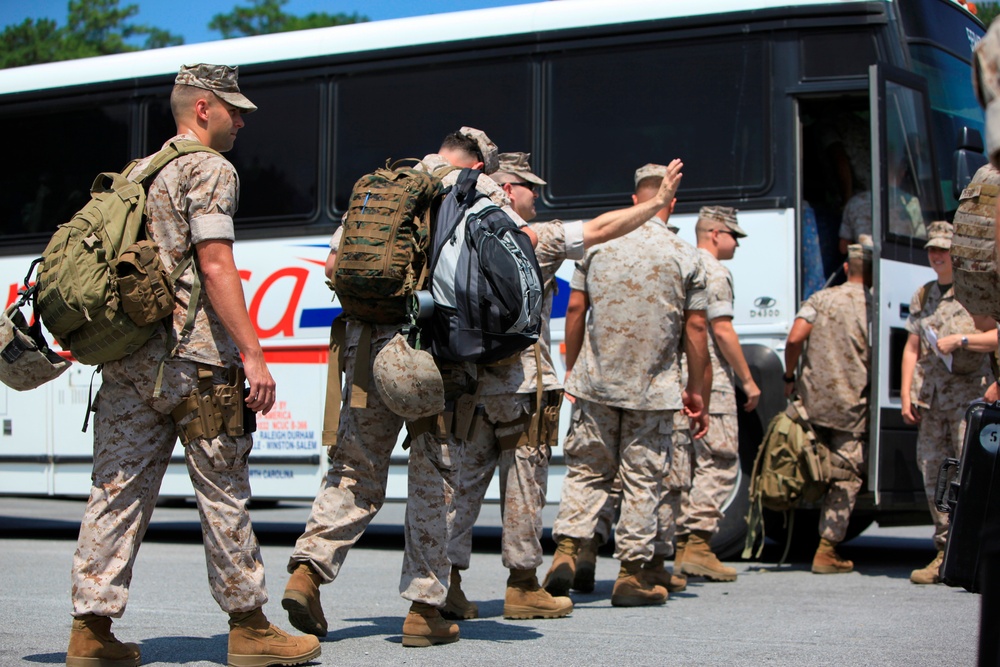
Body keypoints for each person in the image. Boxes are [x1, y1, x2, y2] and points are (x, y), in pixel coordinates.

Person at [65, 64, 321, 667]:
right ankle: (250, 628)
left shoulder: (135, 173)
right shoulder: (209, 169)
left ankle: (90, 631)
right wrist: (254, 354)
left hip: (127, 363)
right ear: (202, 108)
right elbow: (214, 263)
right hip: (195, 363)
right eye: (235, 109)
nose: (243, 119)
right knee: (223, 491)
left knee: (115, 493)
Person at [282, 127, 514, 648]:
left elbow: (331, 265)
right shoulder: (477, 188)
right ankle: (423, 610)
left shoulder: (385, 185)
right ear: (479, 161)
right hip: (430, 359)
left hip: (364, 352)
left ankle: (308, 572)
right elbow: (516, 259)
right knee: (435, 474)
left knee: (354, 468)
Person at [441, 153, 684, 621]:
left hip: (469, 388)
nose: (540, 195)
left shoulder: (452, 231)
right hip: (524, 387)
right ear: (509, 190)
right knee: (524, 489)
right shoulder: (533, 238)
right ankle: (523, 586)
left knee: (463, 487)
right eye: (531, 187)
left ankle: (447, 584)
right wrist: (660, 204)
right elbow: (603, 228)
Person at [543, 163, 709, 607]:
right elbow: (696, 330)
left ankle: (566, 552)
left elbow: (575, 310)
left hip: (596, 384)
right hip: (653, 392)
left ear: (636, 198)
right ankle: (631, 574)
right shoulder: (686, 255)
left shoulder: (598, 246)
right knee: (642, 480)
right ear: (669, 202)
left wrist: (575, 371)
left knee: (586, 471)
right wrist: (697, 391)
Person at [900, 221, 996, 584]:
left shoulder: (975, 292)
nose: (937, 255)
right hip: (933, 400)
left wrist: (963, 340)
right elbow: (912, 347)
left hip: (970, 398)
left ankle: (973, 553)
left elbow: (997, 336)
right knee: (934, 474)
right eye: (932, 249)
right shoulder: (924, 294)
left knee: (971, 477)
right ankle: (944, 553)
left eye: (944, 249)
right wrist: (907, 391)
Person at [674, 206, 760, 583]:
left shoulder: (680, 263)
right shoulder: (715, 271)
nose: (737, 245)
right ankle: (697, 545)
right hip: (710, 378)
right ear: (714, 233)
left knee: (684, 463)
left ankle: (679, 546)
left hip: (678, 378)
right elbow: (721, 330)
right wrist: (748, 380)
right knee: (720, 460)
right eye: (733, 236)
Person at [783, 237, 873, 574]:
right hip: (852, 407)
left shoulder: (820, 298)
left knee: (804, 461)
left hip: (812, 403)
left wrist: (789, 375)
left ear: (847, 267)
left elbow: (794, 338)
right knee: (845, 475)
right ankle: (826, 549)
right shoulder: (874, 305)